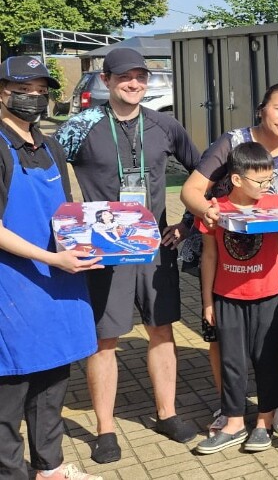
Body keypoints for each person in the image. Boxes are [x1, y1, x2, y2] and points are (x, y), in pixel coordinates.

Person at [55, 48, 202, 463]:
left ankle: (167, 413)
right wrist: (69, 227)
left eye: (140, 76)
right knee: (105, 339)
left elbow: (205, 173)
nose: (133, 83)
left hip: (155, 248)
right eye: (124, 77)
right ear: (106, 80)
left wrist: (187, 223)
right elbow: (45, 170)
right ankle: (105, 429)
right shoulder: (80, 125)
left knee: (162, 329)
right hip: (105, 251)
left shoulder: (164, 124)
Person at [178, 83, 278, 436]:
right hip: (219, 247)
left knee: (276, 336)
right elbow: (191, 190)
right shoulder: (232, 141)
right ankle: (229, 408)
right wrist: (208, 212)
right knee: (221, 337)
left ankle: (276, 404)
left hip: (267, 260)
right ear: (261, 108)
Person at [0, 56, 103, 480]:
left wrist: (96, 240)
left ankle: (50, 467)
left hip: (58, 281)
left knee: (52, 380)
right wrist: (50, 258)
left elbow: (65, 212)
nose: (34, 98)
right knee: (11, 388)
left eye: (41, 91)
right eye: (24, 90)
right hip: (12, 286)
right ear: (2, 93)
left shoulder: (49, 145)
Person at [194, 142, 278, 455]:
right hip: (227, 297)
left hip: (270, 296)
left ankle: (264, 423)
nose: (267, 186)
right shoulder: (215, 209)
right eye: (260, 180)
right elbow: (209, 256)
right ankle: (234, 423)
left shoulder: (274, 203)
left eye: (270, 179)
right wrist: (208, 301)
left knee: (269, 359)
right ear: (237, 179)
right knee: (232, 361)